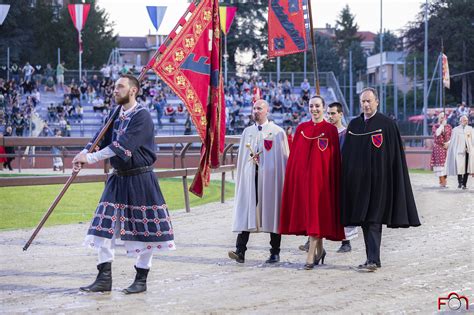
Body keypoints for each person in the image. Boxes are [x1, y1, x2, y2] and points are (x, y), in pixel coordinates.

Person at [72, 74, 175, 294]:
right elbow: (99, 137)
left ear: (133, 90)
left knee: (145, 230)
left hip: (141, 178)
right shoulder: (114, 114)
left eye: (120, 86)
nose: (115, 90)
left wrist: (89, 159)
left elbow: (122, 145)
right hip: (118, 178)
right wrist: (83, 152)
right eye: (114, 86)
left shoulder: (143, 116)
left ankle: (141, 279)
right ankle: (104, 278)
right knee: (103, 227)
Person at [341, 87, 421, 272]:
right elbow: (348, 155)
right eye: (363, 101)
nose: (366, 104)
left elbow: (395, 155)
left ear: (377, 102)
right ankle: (372, 259)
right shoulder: (354, 125)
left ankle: (373, 260)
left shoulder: (387, 124)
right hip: (360, 184)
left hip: (380, 182)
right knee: (364, 220)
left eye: (369, 101)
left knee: (374, 220)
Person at [279, 96, 345, 269]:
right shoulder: (302, 128)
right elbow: (295, 159)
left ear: (324, 108)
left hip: (322, 183)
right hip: (305, 183)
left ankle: (310, 257)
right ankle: (320, 251)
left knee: (317, 215)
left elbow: (334, 159)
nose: (314, 109)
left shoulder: (330, 130)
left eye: (317, 106)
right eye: (311, 106)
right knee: (314, 217)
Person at [229, 99, 289, 264]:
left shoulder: (277, 132)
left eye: (259, 108)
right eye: (254, 108)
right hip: (251, 178)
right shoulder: (247, 132)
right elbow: (242, 159)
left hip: (270, 179)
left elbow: (284, 159)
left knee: (273, 211)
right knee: (246, 210)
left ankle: (275, 252)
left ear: (267, 111)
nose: (256, 111)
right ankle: (240, 251)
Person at [445, 115, 474, 189]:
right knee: (460, 167)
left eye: (467, 120)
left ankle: (464, 184)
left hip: (468, 151)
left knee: (467, 167)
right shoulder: (456, 129)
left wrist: (470, 148)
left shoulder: (470, 129)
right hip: (459, 151)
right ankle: (459, 182)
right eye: (464, 120)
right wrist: (449, 144)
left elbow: (472, 140)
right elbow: (453, 140)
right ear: (461, 121)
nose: (466, 121)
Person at [430, 112, 452, 187]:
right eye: (441, 117)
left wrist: (448, 143)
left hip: (447, 147)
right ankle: (443, 181)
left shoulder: (449, 126)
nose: (442, 118)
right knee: (440, 166)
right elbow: (437, 134)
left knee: (446, 166)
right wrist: (442, 125)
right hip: (439, 147)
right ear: (439, 118)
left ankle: (442, 181)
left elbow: (452, 137)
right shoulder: (435, 126)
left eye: (444, 117)